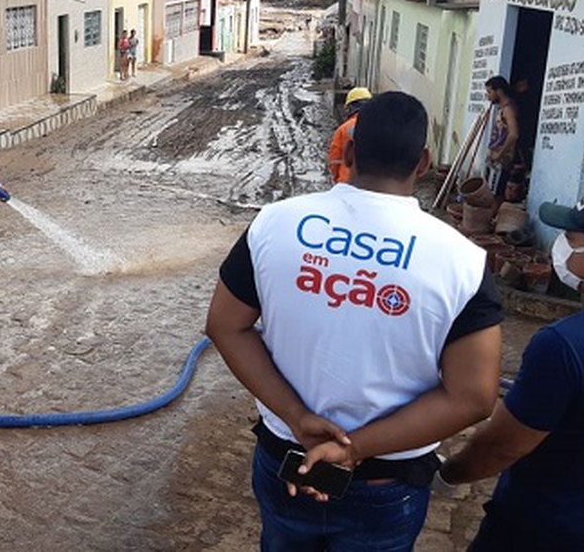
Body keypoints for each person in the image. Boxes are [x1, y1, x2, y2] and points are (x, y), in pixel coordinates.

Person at [205, 91, 503, 550]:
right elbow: (474, 397)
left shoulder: (274, 224)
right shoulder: (462, 262)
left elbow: (225, 326)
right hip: (386, 483)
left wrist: (297, 416)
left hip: (287, 457)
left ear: (347, 152)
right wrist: (353, 448)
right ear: (423, 163)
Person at [440, 186, 584, 552]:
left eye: (571, 238)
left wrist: (448, 474)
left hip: (544, 530)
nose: (562, 245)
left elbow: (501, 446)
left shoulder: (564, 345)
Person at [484, 76, 519, 203]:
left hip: (500, 160)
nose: (488, 96)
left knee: (495, 193)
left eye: (489, 92)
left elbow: (513, 134)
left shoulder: (508, 110)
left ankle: (492, 218)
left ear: (498, 91)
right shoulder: (502, 108)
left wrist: (500, 153)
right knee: (491, 191)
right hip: (495, 158)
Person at [327, 86, 372, 184]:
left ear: (350, 107)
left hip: (346, 182)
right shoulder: (381, 127)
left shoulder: (343, 129)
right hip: (374, 186)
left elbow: (334, 159)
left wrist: (336, 180)